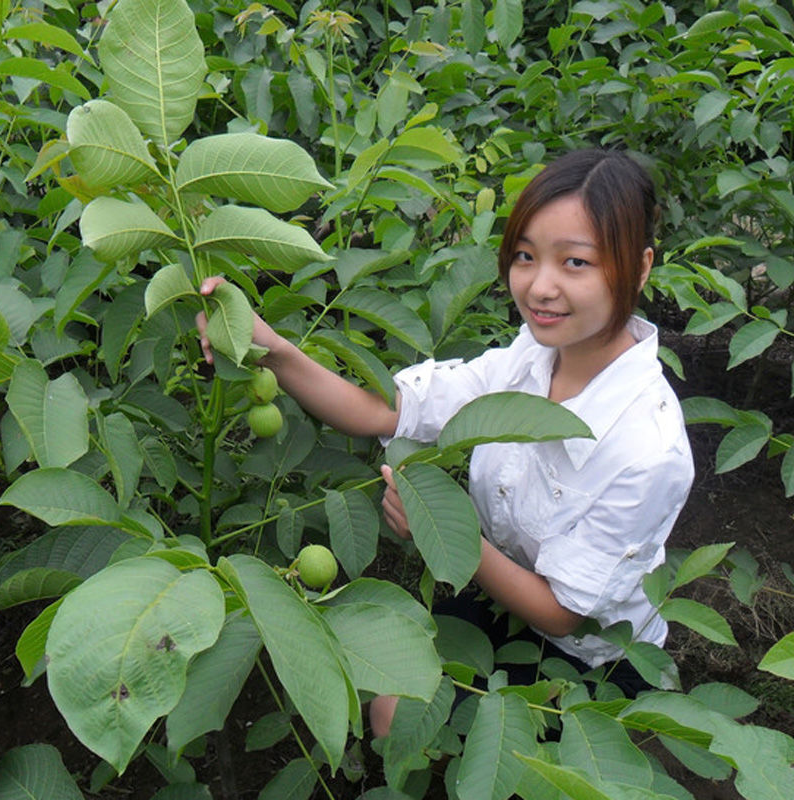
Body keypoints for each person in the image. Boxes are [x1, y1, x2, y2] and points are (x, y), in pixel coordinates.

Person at [198, 147, 694, 738]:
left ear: (638, 269)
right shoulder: (529, 359)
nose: (540, 286)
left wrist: (447, 530)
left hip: (591, 657)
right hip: (497, 593)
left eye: (576, 263)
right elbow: (385, 411)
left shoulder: (649, 448)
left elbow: (564, 616)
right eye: (526, 256)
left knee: (436, 736)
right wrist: (272, 347)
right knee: (390, 707)